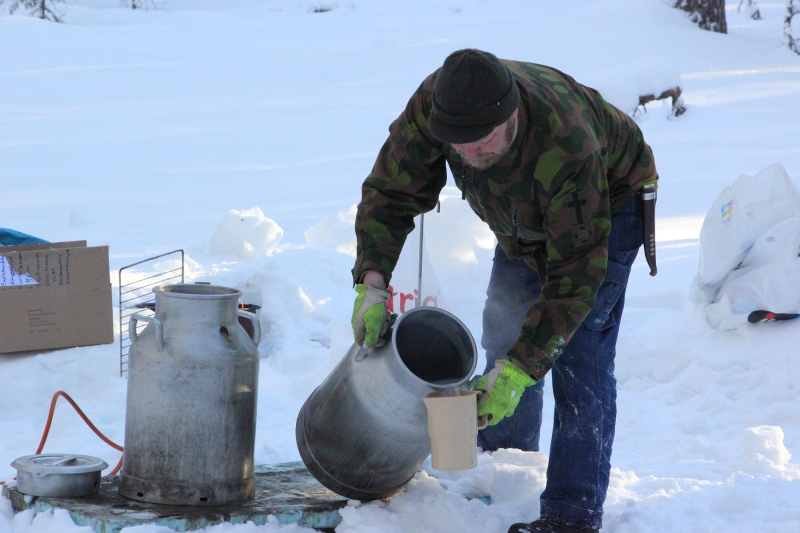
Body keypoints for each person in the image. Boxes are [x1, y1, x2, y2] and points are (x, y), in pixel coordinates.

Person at [350, 49, 657, 533]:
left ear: (510, 113)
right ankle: (506, 467)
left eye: (482, 141)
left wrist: (522, 368)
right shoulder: (438, 105)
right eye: (458, 145)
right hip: (520, 213)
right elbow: (390, 192)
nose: (469, 155)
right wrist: (372, 283)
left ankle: (572, 515)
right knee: (504, 328)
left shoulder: (567, 143)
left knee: (578, 356)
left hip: (608, 203)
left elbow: (576, 276)